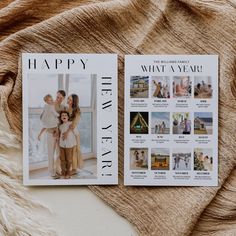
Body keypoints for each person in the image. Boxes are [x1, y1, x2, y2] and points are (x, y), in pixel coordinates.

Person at [62, 94, 83, 175]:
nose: (68, 101)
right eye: (68, 99)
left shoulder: (77, 110)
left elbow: (74, 124)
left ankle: (74, 169)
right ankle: (69, 168)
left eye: (70, 100)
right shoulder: (66, 108)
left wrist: (67, 132)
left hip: (74, 132)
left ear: (74, 101)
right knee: (68, 150)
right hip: (67, 131)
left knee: (75, 150)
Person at [59, 111, 78, 179]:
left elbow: (76, 133)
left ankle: (68, 172)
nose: (64, 116)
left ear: (68, 117)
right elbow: (60, 135)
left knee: (69, 160)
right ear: (61, 118)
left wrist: (73, 128)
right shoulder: (60, 126)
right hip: (61, 144)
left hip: (69, 144)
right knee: (62, 159)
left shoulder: (71, 124)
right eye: (62, 115)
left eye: (65, 115)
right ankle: (63, 172)